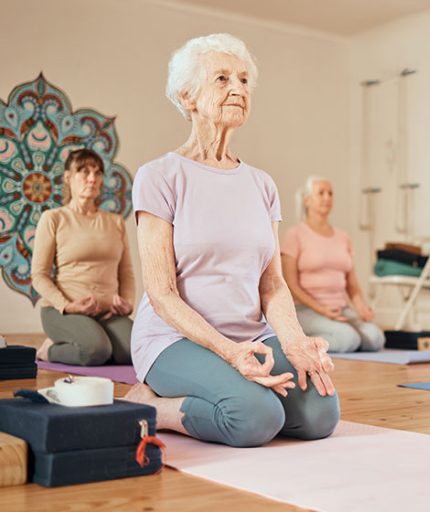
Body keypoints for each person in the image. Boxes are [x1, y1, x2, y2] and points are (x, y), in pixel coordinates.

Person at [124, 33, 339, 447]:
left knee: (319, 414)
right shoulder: (159, 176)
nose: (238, 89)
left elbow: (272, 284)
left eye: (243, 80)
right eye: (222, 79)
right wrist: (229, 353)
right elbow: (162, 293)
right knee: (255, 417)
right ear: (187, 96)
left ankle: (235, 388)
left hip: (251, 336)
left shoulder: (262, 184)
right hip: (174, 340)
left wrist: (295, 342)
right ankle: (151, 406)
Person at [31, 148, 135, 365]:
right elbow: (39, 275)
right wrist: (67, 305)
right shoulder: (53, 218)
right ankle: (49, 350)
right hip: (63, 311)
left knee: (134, 351)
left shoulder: (115, 222)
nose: (92, 178)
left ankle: (99, 341)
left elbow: (126, 273)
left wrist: (128, 304)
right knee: (96, 350)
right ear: (68, 177)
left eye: (98, 172)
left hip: (107, 313)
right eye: (84, 171)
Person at [281, 177, 385, 353]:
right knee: (348, 339)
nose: (327, 197)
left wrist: (361, 307)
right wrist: (322, 309)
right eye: (321, 193)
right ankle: (300, 343)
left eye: (330, 193)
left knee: (375, 338)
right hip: (306, 310)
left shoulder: (343, 237)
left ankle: (339, 336)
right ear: (307, 200)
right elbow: (291, 284)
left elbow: (352, 285)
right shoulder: (295, 234)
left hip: (340, 309)